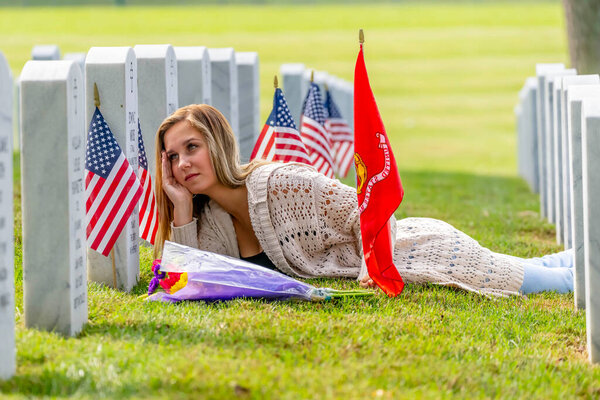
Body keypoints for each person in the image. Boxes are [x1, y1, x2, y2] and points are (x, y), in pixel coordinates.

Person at [154, 104, 573, 297]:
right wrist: (183, 210)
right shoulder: (209, 223)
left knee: (559, 282)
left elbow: (368, 211)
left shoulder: (279, 184)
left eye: (192, 147)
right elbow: (193, 282)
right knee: (546, 265)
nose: (183, 163)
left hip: (418, 251)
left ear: (217, 144)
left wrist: (372, 267)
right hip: (409, 249)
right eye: (172, 156)